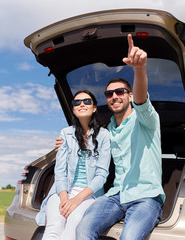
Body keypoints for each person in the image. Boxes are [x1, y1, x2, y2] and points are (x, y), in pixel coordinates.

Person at [56, 34, 165, 239]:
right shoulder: (106, 132)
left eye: (120, 91)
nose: (114, 96)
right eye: (109, 94)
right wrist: (65, 143)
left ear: (130, 95)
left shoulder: (147, 121)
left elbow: (142, 101)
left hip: (145, 197)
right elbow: (88, 149)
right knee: (83, 229)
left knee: (128, 237)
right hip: (115, 196)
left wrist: (139, 69)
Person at [36, 90, 111, 240]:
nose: (82, 104)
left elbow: (102, 175)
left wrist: (76, 200)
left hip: (89, 195)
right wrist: (65, 199)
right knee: (54, 228)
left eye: (87, 101)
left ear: (94, 108)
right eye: (77, 102)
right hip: (62, 191)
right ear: (73, 109)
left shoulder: (104, 135)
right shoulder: (65, 134)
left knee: (73, 226)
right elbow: (60, 171)